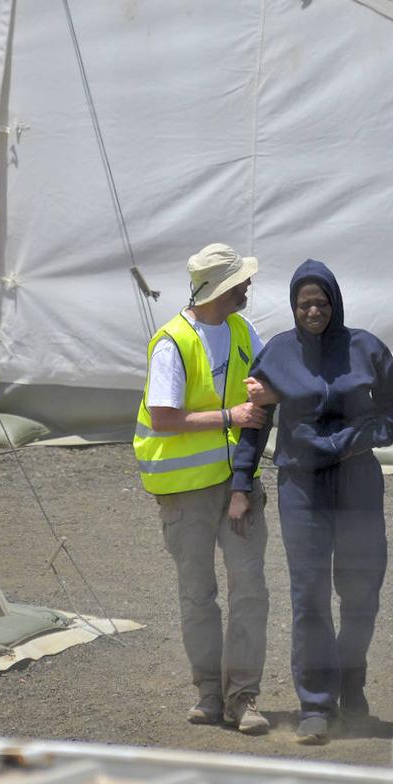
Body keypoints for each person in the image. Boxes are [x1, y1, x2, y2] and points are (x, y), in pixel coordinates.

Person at [231, 259, 393, 745]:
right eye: (304, 303)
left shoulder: (365, 347)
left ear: (335, 302)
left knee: (361, 593)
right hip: (302, 486)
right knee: (309, 596)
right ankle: (315, 703)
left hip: (357, 482)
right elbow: (255, 422)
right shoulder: (277, 354)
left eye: (321, 301)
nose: (314, 310)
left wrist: (367, 436)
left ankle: (351, 684)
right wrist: (239, 485)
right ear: (293, 307)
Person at [132, 243, 271, 734]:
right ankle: (210, 694)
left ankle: (243, 698)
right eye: (242, 281)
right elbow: (166, 418)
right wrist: (231, 416)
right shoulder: (172, 342)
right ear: (222, 288)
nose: (249, 285)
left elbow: (263, 390)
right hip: (185, 492)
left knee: (249, 588)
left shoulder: (242, 330)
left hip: (238, 484)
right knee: (198, 594)